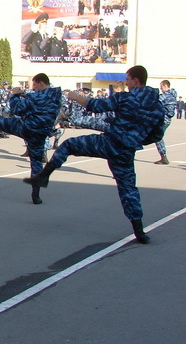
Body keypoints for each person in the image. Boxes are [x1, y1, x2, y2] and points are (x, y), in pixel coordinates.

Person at [23, 65, 166, 244]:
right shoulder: (158, 106)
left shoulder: (126, 98)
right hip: (126, 150)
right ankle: (139, 231)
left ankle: (43, 176)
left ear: (136, 81)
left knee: (68, 145)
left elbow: (96, 105)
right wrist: (134, 138)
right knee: (128, 189)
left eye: (128, 79)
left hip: (110, 142)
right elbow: (157, 134)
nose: (127, 83)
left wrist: (76, 97)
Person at [0, 73, 61, 204]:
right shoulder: (56, 95)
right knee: (36, 162)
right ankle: (36, 195)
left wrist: (15, 94)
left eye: (34, 86)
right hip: (41, 133)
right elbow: (37, 105)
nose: (33, 89)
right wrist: (27, 96)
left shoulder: (39, 96)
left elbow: (17, 109)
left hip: (27, 128)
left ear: (41, 83)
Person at [153, 80, 177, 165]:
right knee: (157, 136)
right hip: (168, 118)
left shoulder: (166, 95)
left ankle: (163, 157)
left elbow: (155, 102)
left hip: (163, 118)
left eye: (161, 87)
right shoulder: (173, 95)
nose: (161, 89)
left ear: (166, 86)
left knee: (157, 137)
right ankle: (163, 156)